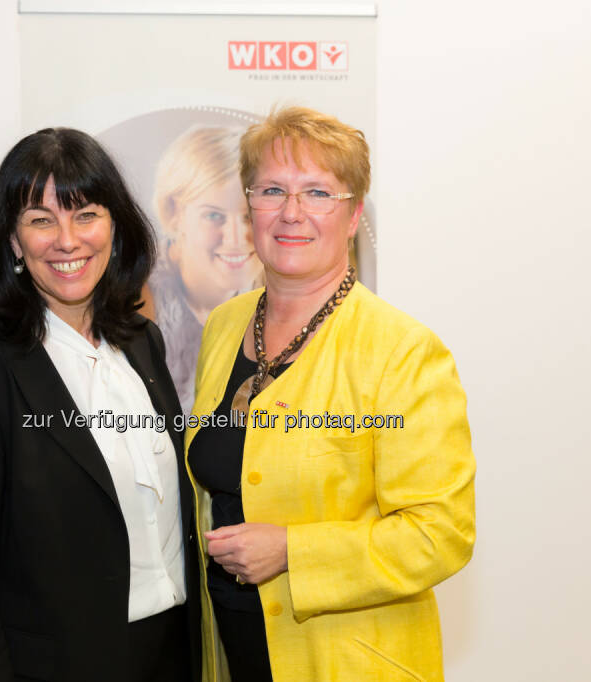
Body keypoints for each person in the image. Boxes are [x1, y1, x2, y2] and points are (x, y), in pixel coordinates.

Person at [185, 107, 476, 682]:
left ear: (352, 215)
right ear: (250, 209)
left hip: (348, 664)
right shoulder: (224, 325)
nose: (292, 212)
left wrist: (294, 550)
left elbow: (441, 533)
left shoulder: (403, 351)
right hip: (235, 653)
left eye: (318, 192)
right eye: (272, 190)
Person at [0, 128, 199, 682]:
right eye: (41, 220)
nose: (67, 240)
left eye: (86, 214)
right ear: (13, 241)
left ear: (115, 226)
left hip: (173, 650)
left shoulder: (143, 341)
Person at [146, 125, 263, 412]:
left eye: (250, 216)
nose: (236, 239)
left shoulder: (281, 300)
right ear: (173, 214)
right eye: (213, 215)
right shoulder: (133, 307)